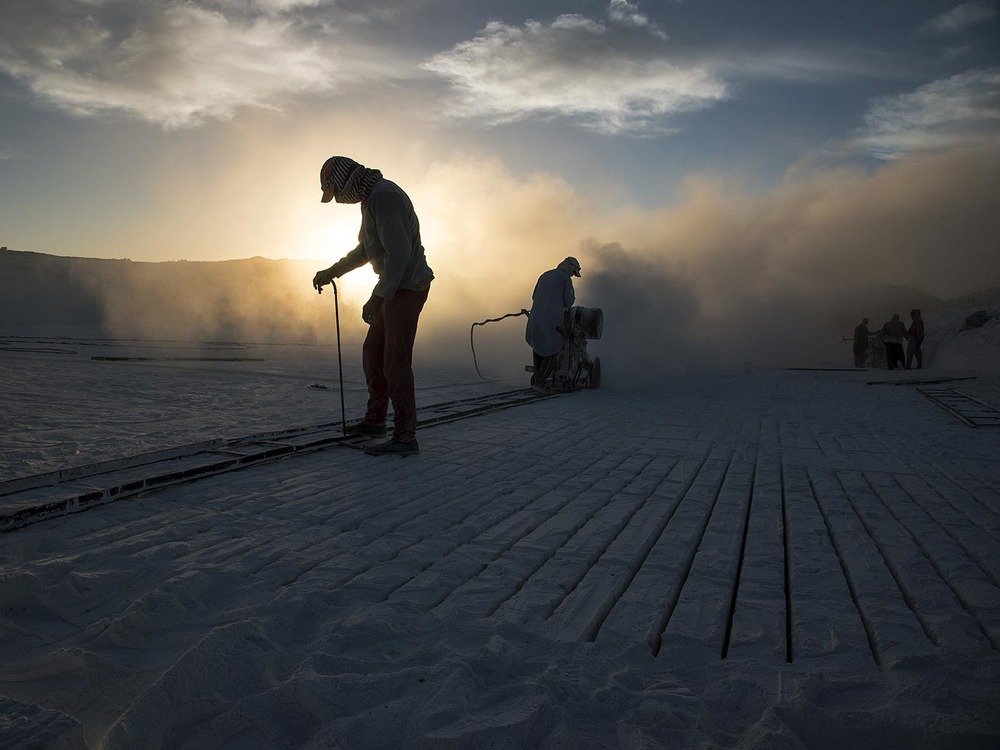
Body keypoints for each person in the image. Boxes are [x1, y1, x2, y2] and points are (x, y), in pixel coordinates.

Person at [312, 156, 433, 457]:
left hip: (407, 287)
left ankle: (405, 437)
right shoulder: (370, 199)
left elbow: (399, 253)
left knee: (394, 360)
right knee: (373, 352)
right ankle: (376, 420)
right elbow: (366, 249)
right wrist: (333, 271)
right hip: (393, 287)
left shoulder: (384, 196)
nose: (338, 200)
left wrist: (379, 296)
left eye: (336, 192)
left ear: (346, 180)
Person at [525, 257, 580, 392]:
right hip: (551, 320)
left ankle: (536, 379)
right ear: (570, 268)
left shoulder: (545, 275)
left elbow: (534, 296)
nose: (573, 275)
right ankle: (540, 381)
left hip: (535, 318)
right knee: (552, 350)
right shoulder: (565, 279)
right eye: (573, 272)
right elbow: (568, 302)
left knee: (538, 347)